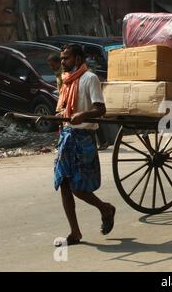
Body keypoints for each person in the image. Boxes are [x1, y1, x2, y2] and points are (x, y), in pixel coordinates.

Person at [53, 44, 115, 246]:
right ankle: (75, 232)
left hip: (83, 137)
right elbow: (64, 108)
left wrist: (83, 115)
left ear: (78, 59)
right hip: (66, 136)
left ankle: (105, 208)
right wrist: (59, 115)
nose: (63, 62)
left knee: (78, 187)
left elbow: (101, 109)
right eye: (62, 58)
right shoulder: (66, 81)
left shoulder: (90, 79)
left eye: (67, 58)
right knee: (63, 182)